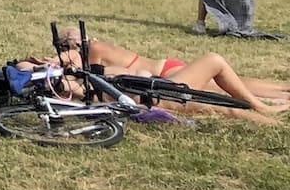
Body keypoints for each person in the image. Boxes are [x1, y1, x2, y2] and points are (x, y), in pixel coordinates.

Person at [51, 26, 286, 122]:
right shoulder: (92, 54)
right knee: (227, 89)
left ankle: (270, 102)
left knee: (225, 89)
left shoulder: (90, 54)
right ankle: (277, 98)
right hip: (161, 79)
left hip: (163, 77)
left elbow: (78, 69)